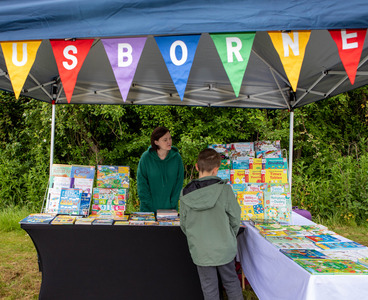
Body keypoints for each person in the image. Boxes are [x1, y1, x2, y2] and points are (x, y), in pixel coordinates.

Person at [180, 148, 243, 300]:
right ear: (216, 170)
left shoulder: (185, 194)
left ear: (196, 167)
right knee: (231, 282)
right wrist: (228, 236)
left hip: (201, 249)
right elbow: (236, 219)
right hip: (224, 247)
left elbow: (184, 224)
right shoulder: (225, 190)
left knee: (209, 287)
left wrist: (197, 239)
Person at [137, 126, 184, 213]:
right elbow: (141, 183)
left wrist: (173, 202)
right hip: (148, 210)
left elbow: (179, 182)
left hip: (170, 209)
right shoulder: (146, 158)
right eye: (165, 140)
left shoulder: (177, 158)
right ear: (156, 142)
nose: (169, 142)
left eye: (170, 138)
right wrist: (148, 203)